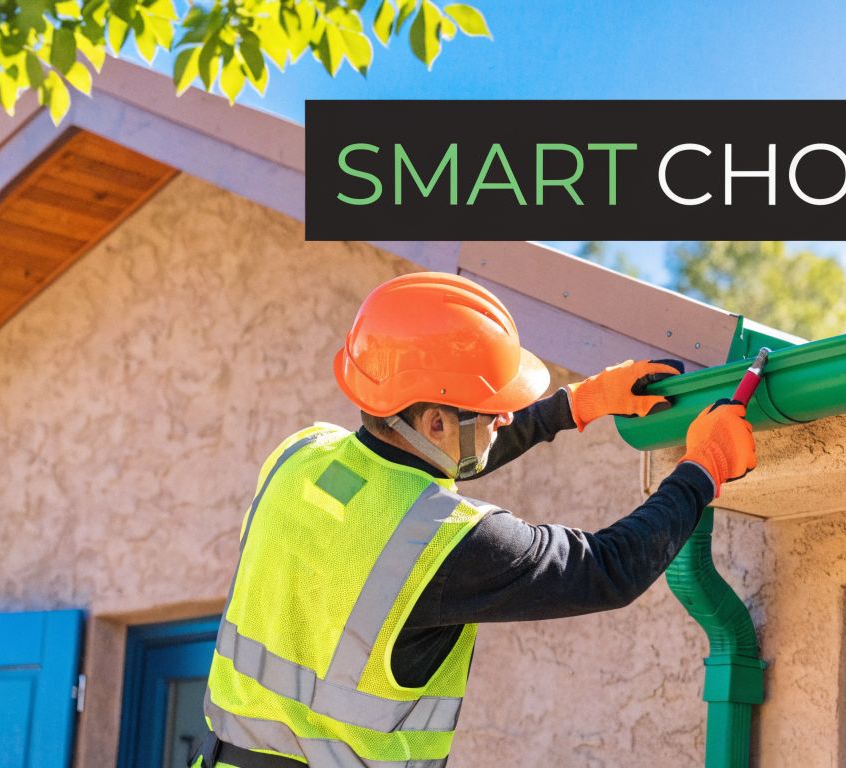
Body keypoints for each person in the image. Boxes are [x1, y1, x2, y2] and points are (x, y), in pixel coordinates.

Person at [192, 272, 757, 767]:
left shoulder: (301, 459)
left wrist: (575, 404)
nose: (505, 415)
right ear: (435, 421)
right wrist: (703, 467)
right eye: (492, 410)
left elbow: (407, 479)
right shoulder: (447, 545)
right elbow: (606, 568)